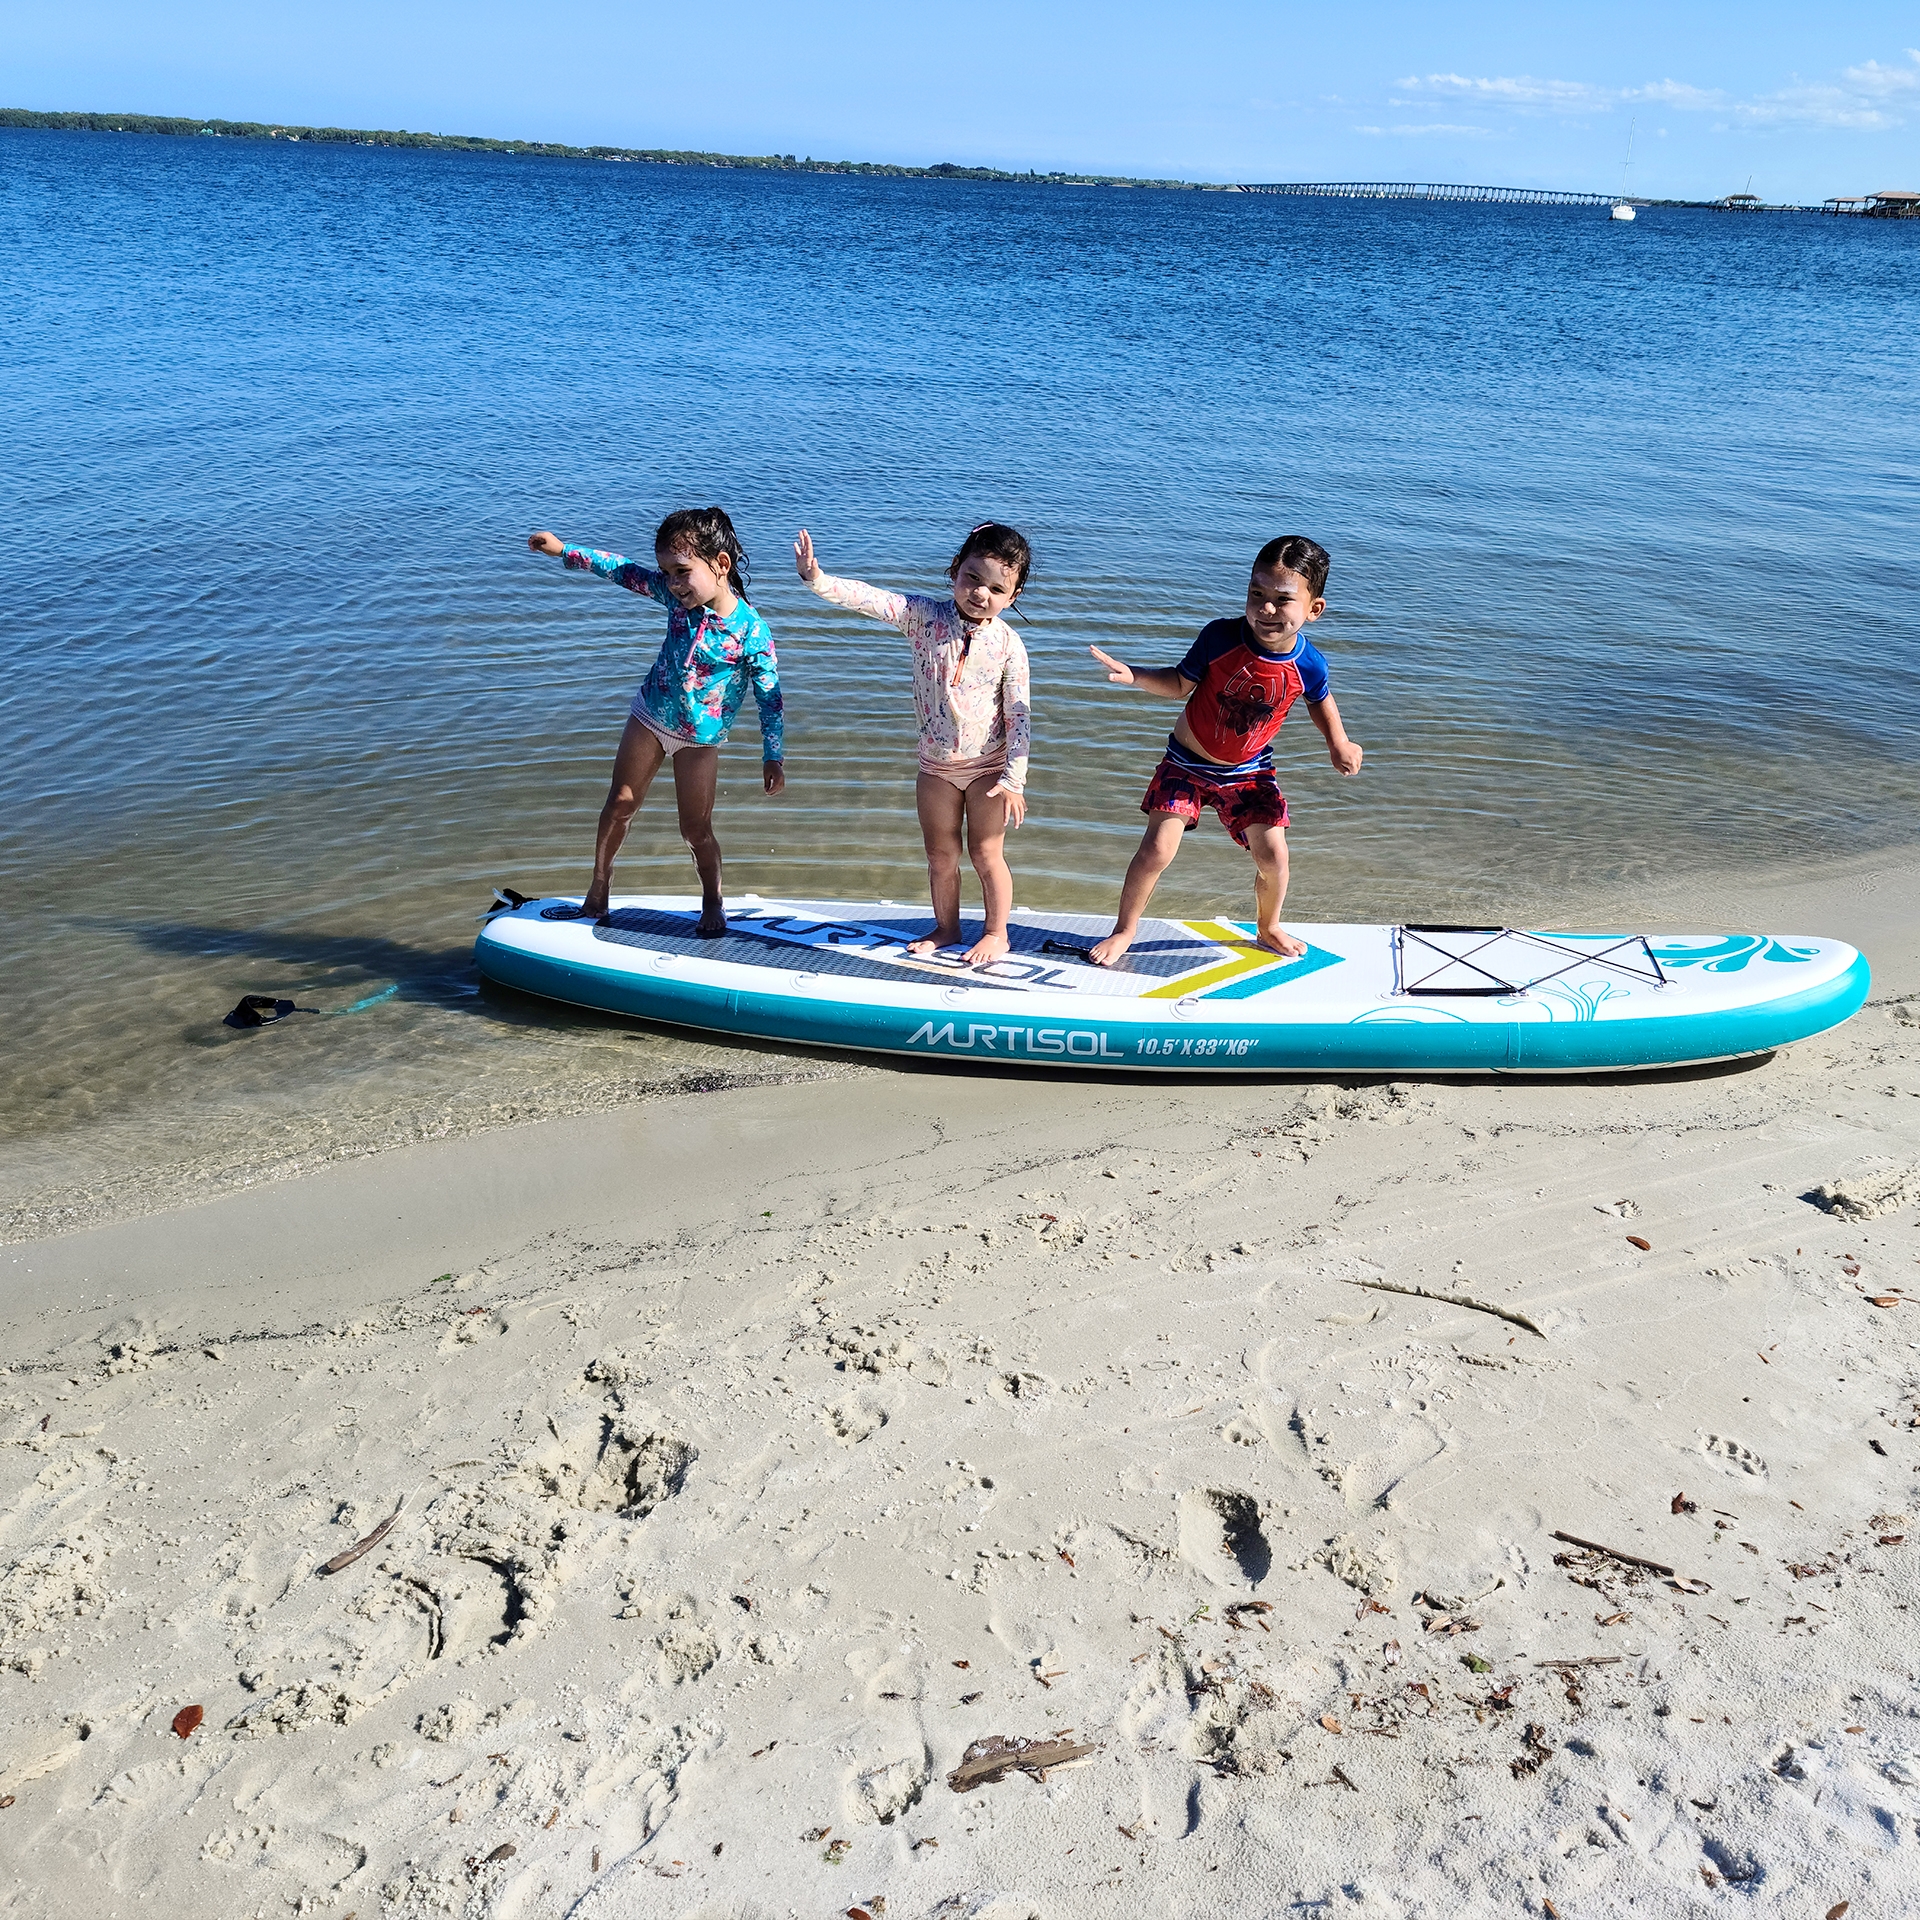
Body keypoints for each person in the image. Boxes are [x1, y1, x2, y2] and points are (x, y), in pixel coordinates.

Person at [1084, 534, 1361, 967]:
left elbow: (1320, 700)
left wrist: (1338, 742)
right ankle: (1124, 930)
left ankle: (1268, 926)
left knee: (1274, 855)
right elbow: (1179, 684)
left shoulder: (1309, 663)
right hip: (1186, 761)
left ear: (1313, 609)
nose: (1266, 609)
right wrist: (1133, 674)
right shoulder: (1220, 637)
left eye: (1282, 600)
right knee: (1157, 849)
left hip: (1250, 770)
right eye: (1257, 593)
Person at [527, 506, 784, 934]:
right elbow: (621, 570)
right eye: (666, 572)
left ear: (721, 565)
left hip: (699, 740)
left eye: (681, 571)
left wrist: (772, 756)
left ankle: (712, 900)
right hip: (650, 716)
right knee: (620, 804)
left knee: (695, 829)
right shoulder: (673, 597)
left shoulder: (751, 632)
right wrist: (563, 550)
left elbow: (770, 697)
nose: (673, 583)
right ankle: (598, 887)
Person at [793, 522, 1031, 965]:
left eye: (997, 589)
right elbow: (873, 600)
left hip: (988, 768)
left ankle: (997, 932)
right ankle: (947, 926)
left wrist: (1014, 778)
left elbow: (1019, 715)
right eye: (973, 578)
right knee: (940, 854)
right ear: (956, 570)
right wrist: (818, 580)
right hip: (936, 767)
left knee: (986, 853)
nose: (981, 593)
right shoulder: (925, 617)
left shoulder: (1009, 645)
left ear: (1012, 597)